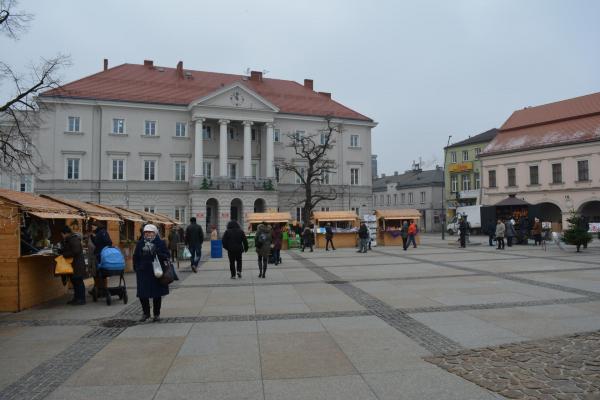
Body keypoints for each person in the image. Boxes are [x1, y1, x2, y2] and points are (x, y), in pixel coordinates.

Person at [133, 224, 170, 322]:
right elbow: (136, 256)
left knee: (157, 294)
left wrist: (156, 251)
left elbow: (167, 255)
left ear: (155, 233)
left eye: (150, 232)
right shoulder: (140, 243)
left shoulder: (160, 243)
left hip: (156, 272)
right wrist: (137, 268)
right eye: (146, 232)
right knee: (142, 294)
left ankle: (156, 314)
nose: (148, 234)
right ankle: (146, 313)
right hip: (143, 272)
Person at [60, 226, 86, 305]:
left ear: (65, 233)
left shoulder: (73, 239)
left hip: (77, 264)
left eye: (62, 234)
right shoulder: (71, 239)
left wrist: (64, 255)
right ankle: (77, 298)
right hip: (74, 264)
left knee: (78, 282)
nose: (62, 236)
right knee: (75, 282)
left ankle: (81, 299)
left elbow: (76, 251)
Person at [90, 220, 112, 297]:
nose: (92, 228)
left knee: (99, 273)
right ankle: (100, 289)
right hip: (102, 254)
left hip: (100, 255)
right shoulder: (102, 232)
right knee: (100, 273)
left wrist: (92, 237)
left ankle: (101, 289)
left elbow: (98, 243)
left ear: (96, 226)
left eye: (93, 226)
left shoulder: (100, 233)